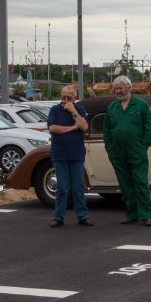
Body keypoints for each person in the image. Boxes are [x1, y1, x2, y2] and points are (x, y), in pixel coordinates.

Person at [102, 75, 151, 226]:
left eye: (120, 88)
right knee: (125, 184)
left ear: (128, 88)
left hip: (137, 150)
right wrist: (110, 148)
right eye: (116, 88)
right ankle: (131, 213)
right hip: (117, 152)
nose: (118, 91)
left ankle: (146, 214)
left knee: (140, 182)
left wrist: (144, 145)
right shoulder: (112, 107)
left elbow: (149, 126)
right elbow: (106, 130)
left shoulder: (141, 105)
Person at [47, 85, 92, 227]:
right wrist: (72, 128)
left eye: (69, 97)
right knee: (62, 187)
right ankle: (58, 217)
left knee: (78, 186)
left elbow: (84, 127)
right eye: (63, 96)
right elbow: (53, 128)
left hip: (76, 153)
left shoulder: (80, 109)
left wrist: (73, 111)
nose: (65, 99)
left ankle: (82, 216)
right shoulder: (55, 110)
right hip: (59, 154)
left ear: (74, 97)